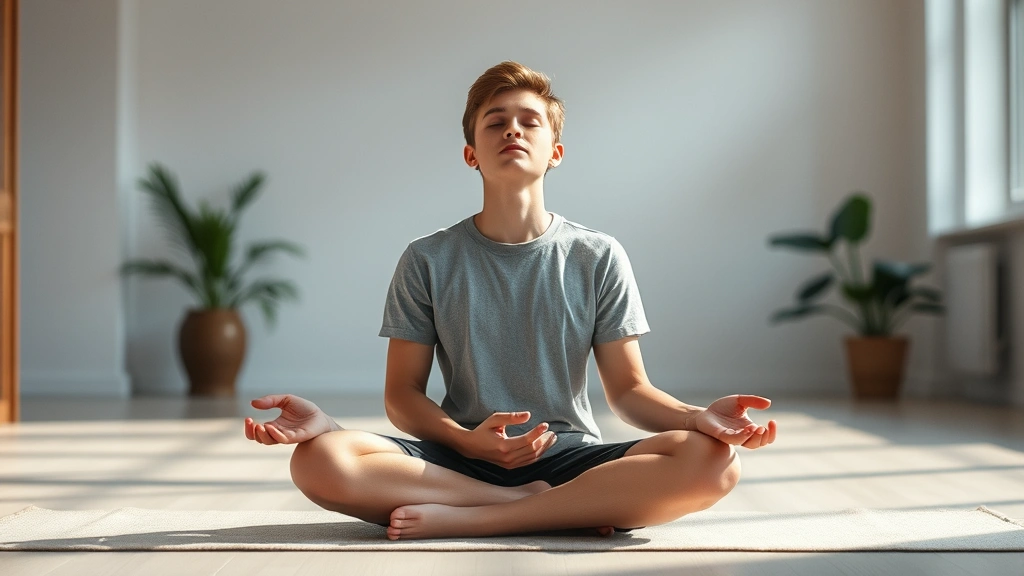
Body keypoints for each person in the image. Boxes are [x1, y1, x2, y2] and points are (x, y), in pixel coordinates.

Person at [243, 61, 777, 541]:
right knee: (319, 459)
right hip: (457, 459)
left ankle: (485, 518)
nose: (513, 130)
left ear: (555, 153)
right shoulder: (427, 258)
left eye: (529, 121)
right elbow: (403, 396)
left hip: (568, 456)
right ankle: (530, 506)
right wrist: (468, 443)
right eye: (495, 122)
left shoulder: (598, 255)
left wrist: (697, 417)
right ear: (471, 153)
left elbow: (631, 392)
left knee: (712, 461)